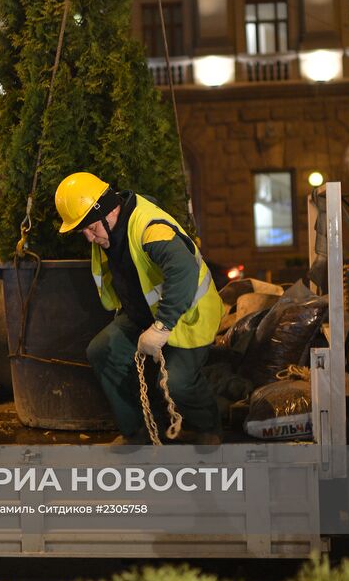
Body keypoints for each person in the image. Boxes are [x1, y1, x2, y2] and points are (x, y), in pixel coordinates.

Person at [54, 171, 223, 445]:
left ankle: (207, 428)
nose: (88, 237)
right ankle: (136, 433)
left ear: (109, 211)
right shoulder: (107, 230)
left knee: (176, 383)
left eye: (91, 227)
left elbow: (184, 273)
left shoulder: (151, 230)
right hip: (144, 313)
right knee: (101, 352)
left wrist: (162, 326)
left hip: (189, 316)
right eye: (81, 230)